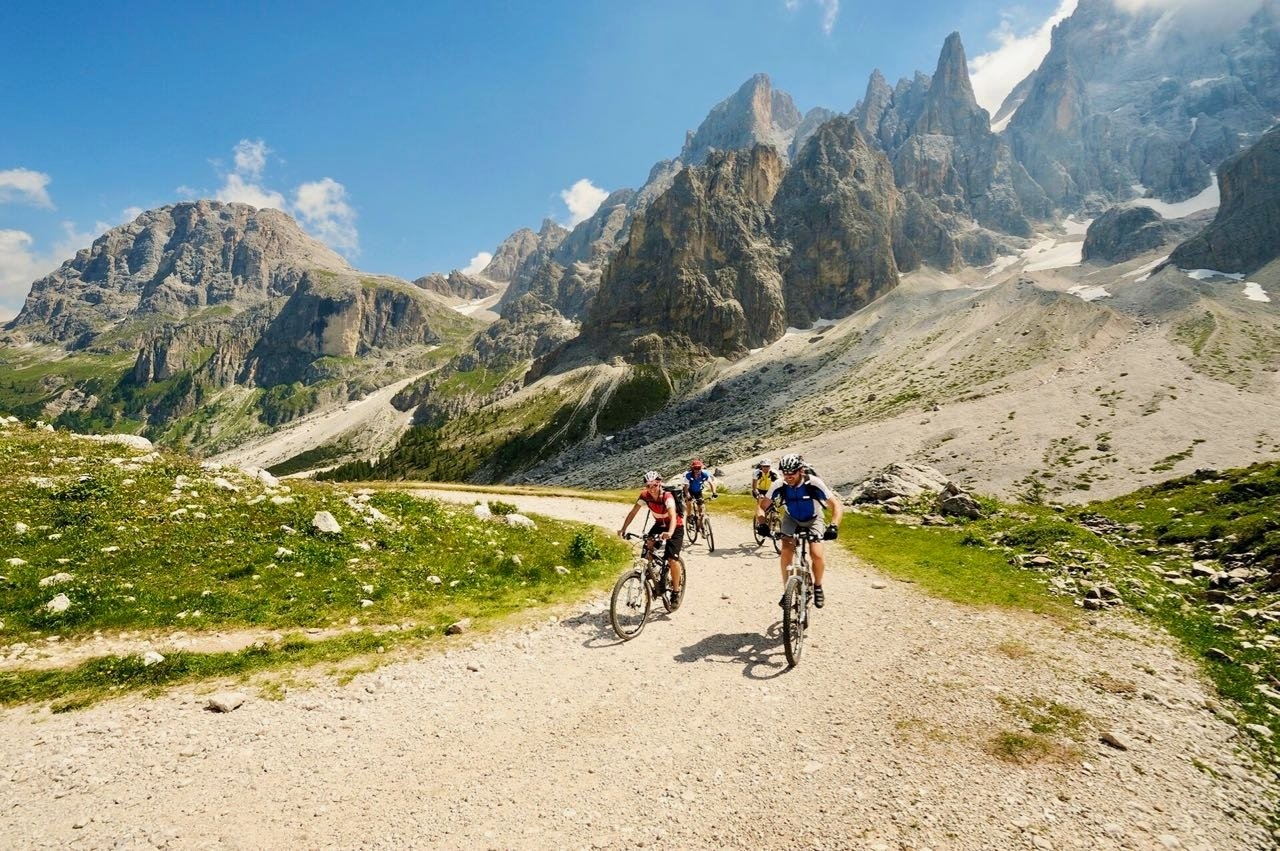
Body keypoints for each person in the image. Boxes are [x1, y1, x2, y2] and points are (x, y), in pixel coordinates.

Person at [754, 453, 842, 608]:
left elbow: (836, 505)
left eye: (791, 473)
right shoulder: (779, 485)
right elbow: (762, 506)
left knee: (816, 553)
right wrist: (762, 524)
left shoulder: (814, 483)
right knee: (786, 550)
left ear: (800, 470)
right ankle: (787, 590)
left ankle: (818, 586)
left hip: (814, 518)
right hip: (791, 518)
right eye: (785, 473)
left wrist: (833, 525)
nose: (788, 477)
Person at [618, 470, 684, 598]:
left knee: (672, 559)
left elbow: (673, 516)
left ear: (659, 484)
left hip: (675, 526)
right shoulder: (644, 496)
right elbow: (633, 513)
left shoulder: (667, 496)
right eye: (648, 486)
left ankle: (675, 592)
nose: (651, 488)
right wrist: (623, 529)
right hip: (659, 525)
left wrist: (670, 532)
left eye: (654, 485)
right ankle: (654, 576)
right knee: (647, 550)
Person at [681, 458, 717, 525]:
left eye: (699, 468)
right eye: (695, 468)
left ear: (701, 468)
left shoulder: (705, 474)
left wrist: (714, 493)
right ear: (692, 468)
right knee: (689, 503)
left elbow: (712, 483)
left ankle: (700, 523)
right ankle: (689, 516)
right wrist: (688, 496)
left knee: (700, 506)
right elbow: (686, 488)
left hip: (698, 491)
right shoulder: (688, 475)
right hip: (689, 491)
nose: (697, 470)